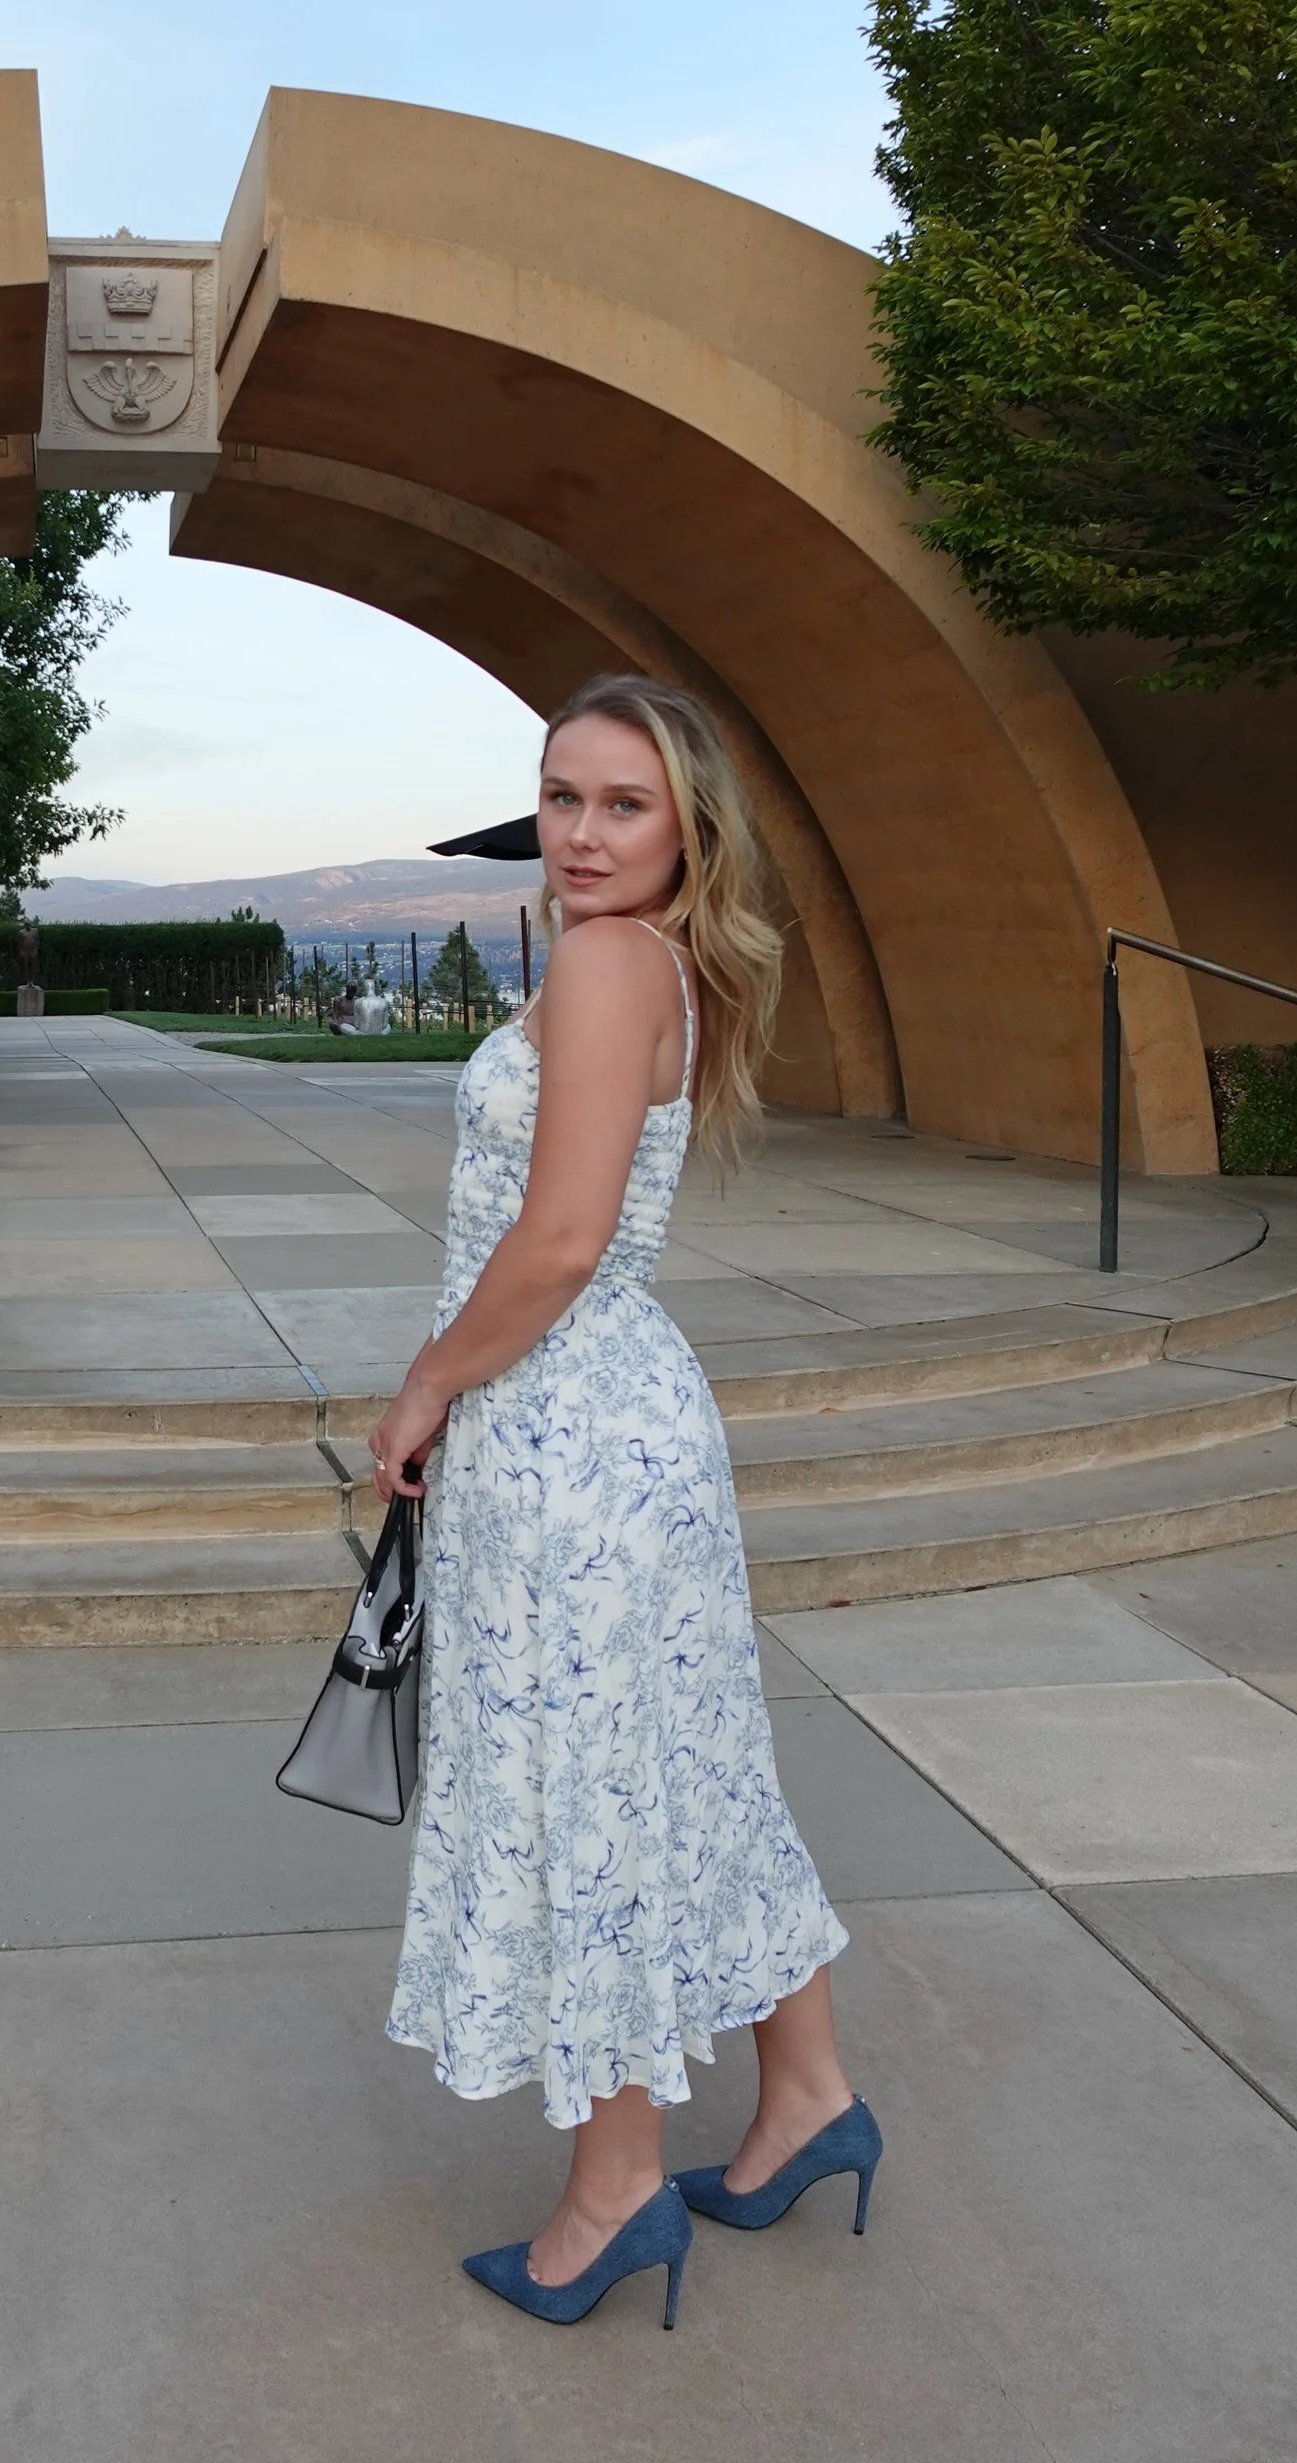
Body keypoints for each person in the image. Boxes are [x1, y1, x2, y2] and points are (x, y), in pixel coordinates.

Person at [369, 674, 878, 2329]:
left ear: (686, 826)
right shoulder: (666, 960)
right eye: (562, 796)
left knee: (589, 1788)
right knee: (690, 1762)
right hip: (628, 1425)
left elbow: (563, 1237)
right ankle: (803, 2093)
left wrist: (429, 1378)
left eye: (622, 804)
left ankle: (615, 2186)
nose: (580, 836)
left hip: (565, 1431)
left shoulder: (602, 961)